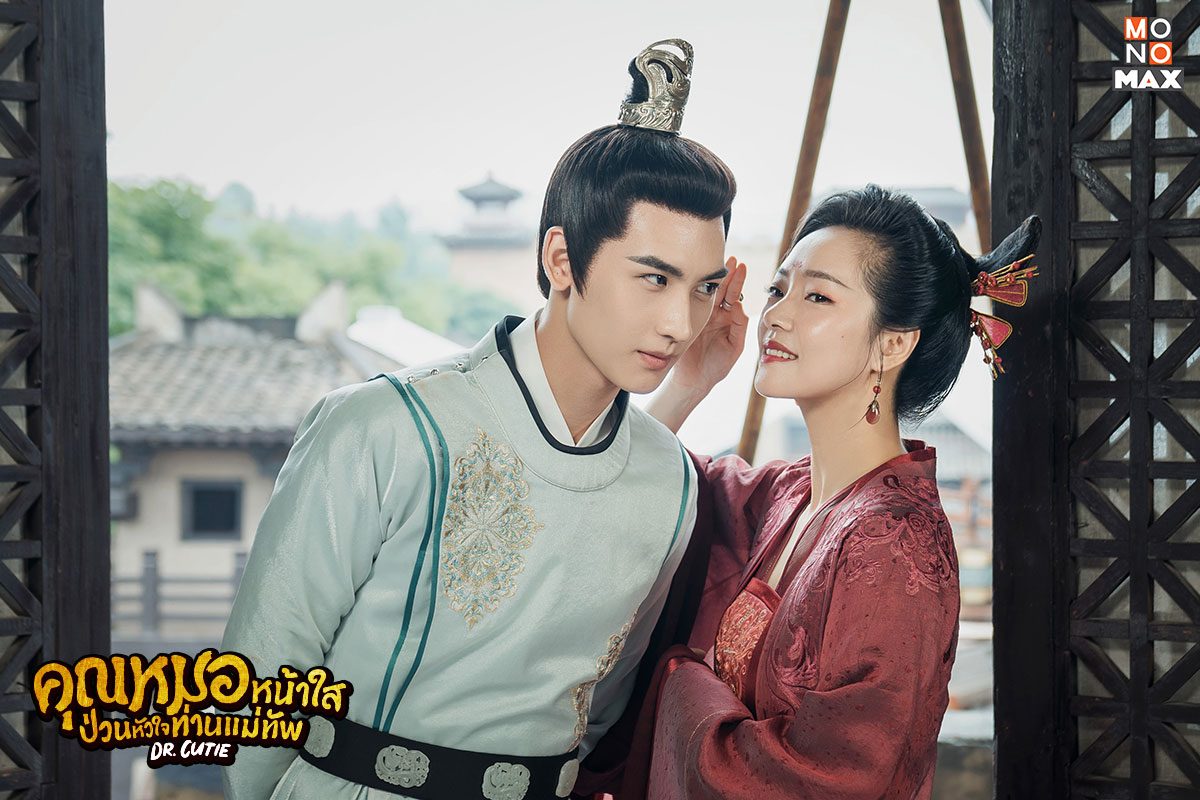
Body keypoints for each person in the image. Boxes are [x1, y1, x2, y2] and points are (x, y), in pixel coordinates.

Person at [222, 39, 740, 800]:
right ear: (562, 260)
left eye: (703, 288)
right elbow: (259, 687)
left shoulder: (670, 485)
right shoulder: (383, 430)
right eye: (654, 279)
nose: (679, 323)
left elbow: (601, 712)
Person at [580, 185, 1040, 799]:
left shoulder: (894, 545)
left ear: (893, 343)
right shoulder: (786, 494)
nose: (777, 314)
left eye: (818, 295)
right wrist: (691, 381)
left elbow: (836, 778)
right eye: (778, 290)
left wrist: (681, 680)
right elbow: (630, 478)